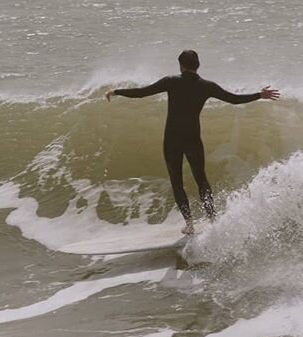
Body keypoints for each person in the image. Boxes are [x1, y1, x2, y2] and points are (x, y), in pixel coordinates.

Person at [105, 50, 280, 234]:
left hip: (172, 139)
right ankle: (213, 219)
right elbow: (234, 100)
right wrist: (259, 95)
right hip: (192, 138)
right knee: (201, 179)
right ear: (198, 65)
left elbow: (141, 93)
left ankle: (189, 224)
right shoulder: (207, 86)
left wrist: (116, 91)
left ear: (181, 65)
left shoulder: (171, 81)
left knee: (177, 181)